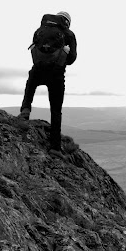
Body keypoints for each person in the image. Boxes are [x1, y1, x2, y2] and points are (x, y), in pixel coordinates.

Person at [19, 11, 77, 157]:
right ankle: (55, 148)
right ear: (67, 22)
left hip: (38, 69)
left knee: (30, 83)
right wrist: (63, 55)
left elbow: (36, 49)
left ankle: (25, 110)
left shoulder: (40, 30)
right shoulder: (69, 34)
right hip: (56, 74)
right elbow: (72, 59)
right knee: (56, 110)